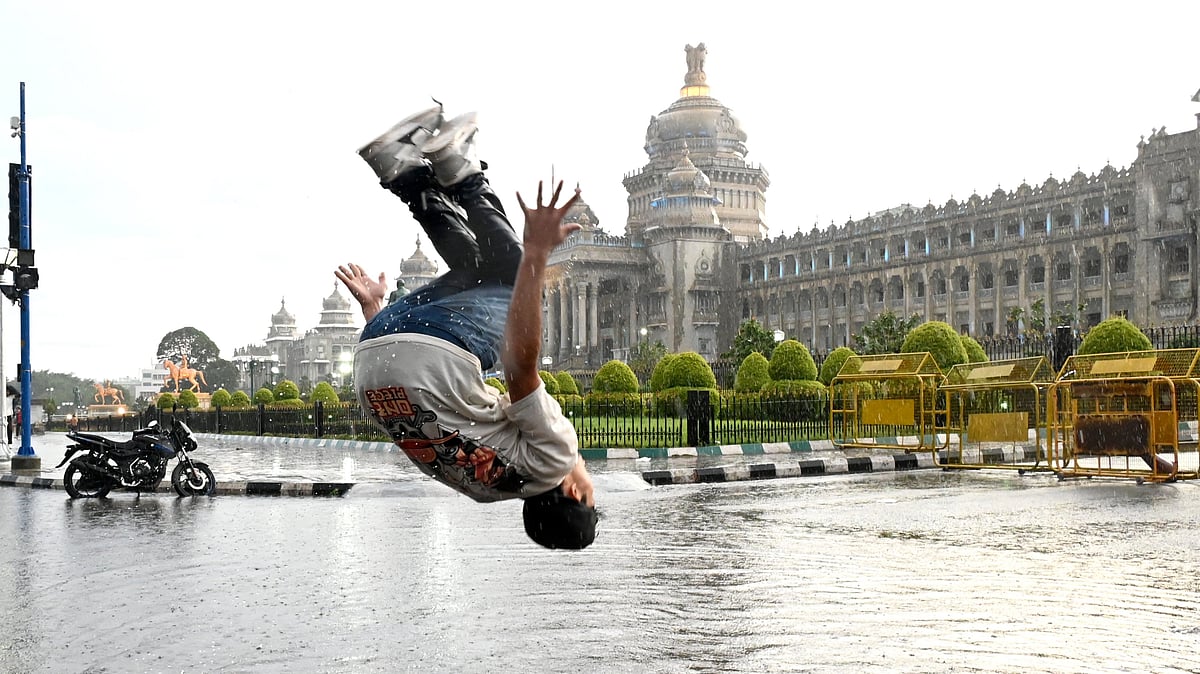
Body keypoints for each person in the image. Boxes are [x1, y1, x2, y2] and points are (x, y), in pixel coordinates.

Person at [336, 105, 597, 550]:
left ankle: (462, 173)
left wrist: (534, 256)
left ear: (577, 493)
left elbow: (520, 371)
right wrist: (377, 313)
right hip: (375, 361)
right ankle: (402, 172)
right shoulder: (483, 489)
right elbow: (420, 406)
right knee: (477, 268)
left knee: (511, 276)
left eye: (592, 493)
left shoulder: (556, 459)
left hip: (433, 349)